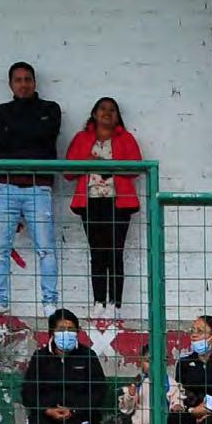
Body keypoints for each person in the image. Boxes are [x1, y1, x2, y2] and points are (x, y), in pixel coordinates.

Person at [0, 61, 61, 315]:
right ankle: (0, 301)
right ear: (10, 84)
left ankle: (50, 302)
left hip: (38, 187)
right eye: (18, 80)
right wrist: (30, 133)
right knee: (0, 249)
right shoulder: (1, 111)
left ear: (34, 82)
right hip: (5, 186)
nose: (23, 84)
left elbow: (47, 135)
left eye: (27, 79)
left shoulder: (50, 109)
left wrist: (14, 132)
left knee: (46, 248)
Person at [64, 96, 143, 318]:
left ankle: (115, 305)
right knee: (97, 253)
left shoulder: (126, 138)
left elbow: (136, 168)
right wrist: (87, 161)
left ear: (118, 116)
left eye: (112, 109)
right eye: (102, 108)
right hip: (90, 201)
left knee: (116, 253)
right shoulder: (82, 138)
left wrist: (109, 165)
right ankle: (99, 302)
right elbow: (68, 171)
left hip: (118, 202)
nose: (107, 113)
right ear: (94, 113)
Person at [22, 308, 106, 424]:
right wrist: (47, 410)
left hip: (79, 416)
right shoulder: (40, 357)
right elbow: (28, 392)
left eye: (71, 329)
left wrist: (74, 410)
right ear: (52, 332)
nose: (66, 333)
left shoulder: (87, 355)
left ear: (77, 332)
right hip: (45, 415)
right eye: (61, 329)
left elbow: (99, 391)